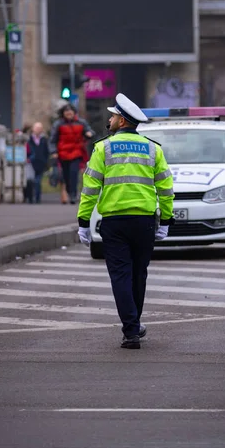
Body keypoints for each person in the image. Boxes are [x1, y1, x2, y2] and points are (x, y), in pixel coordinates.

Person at [77, 93, 175, 349]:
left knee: (121, 275)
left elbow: (90, 188)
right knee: (138, 275)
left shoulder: (103, 148)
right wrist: (165, 219)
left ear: (121, 121)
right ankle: (134, 324)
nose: (109, 119)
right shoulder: (153, 148)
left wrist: (83, 221)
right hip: (143, 222)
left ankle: (131, 330)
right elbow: (165, 187)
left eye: (112, 116)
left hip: (115, 222)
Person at [50, 103, 94, 204]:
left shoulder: (81, 122)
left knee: (74, 173)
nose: (69, 113)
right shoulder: (58, 124)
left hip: (76, 152)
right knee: (66, 175)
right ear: (63, 113)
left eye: (70, 111)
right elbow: (52, 139)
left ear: (74, 112)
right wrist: (54, 152)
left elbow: (90, 131)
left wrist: (89, 134)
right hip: (63, 153)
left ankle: (73, 194)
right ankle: (70, 191)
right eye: (66, 111)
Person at [27, 122, 50, 204]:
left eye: (40, 128)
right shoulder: (28, 139)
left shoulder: (44, 139)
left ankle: (37, 198)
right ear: (33, 129)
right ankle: (30, 198)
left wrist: (45, 161)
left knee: (38, 181)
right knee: (30, 181)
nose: (38, 130)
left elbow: (46, 151)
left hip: (41, 163)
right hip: (30, 163)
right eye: (37, 128)